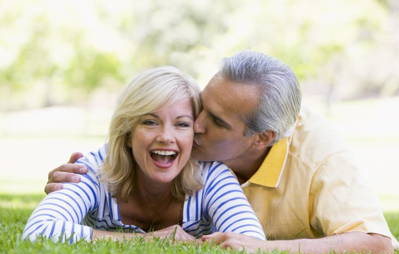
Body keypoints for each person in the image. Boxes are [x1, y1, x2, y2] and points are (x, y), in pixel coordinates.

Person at [44, 51, 399, 254]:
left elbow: (378, 246)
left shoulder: (319, 157)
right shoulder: (194, 144)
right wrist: (81, 182)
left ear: (261, 138)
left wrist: (265, 250)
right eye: (201, 106)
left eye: (213, 120)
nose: (193, 126)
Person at [23, 66, 266, 243]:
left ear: (194, 133)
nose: (165, 136)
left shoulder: (211, 176)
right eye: (150, 122)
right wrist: (149, 239)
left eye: (181, 124)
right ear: (127, 132)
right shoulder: (93, 170)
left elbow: (250, 243)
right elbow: (39, 231)